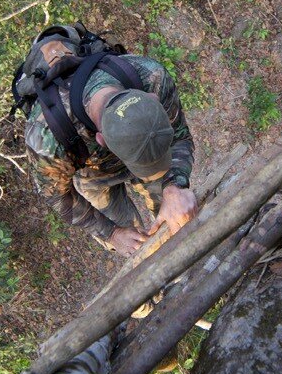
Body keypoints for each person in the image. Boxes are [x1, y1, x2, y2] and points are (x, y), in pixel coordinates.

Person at [24, 48, 198, 255]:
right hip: (94, 177)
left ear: (153, 98)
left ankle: (183, 259)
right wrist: (111, 233)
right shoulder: (46, 138)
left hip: (151, 155)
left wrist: (174, 187)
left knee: (173, 217)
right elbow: (56, 196)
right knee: (134, 244)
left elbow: (180, 137)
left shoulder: (152, 77)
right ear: (100, 139)